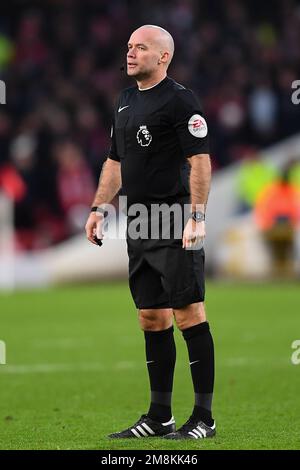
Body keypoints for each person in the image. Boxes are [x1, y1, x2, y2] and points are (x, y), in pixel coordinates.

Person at [85, 25, 215, 440]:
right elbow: (114, 163)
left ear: (163, 57)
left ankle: (204, 419)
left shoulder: (180, 100)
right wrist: (98, 208)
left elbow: (200, 161)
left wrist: (197, 216)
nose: (130, 53)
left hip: (174, 217)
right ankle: (160, 416)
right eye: (128, 47)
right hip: (139, 219)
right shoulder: (124, 101)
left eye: (140, 48)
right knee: (151, 317)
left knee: (188, 313)